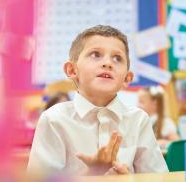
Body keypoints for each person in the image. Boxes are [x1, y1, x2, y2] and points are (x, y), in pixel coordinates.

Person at [27, 25, 168, 175]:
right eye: (96, 54)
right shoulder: (53, 120)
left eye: (117, 58)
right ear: (72, 70)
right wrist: (92, 176)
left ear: (127, 78)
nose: (108, 63)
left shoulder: (138, 120)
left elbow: (160, 178)